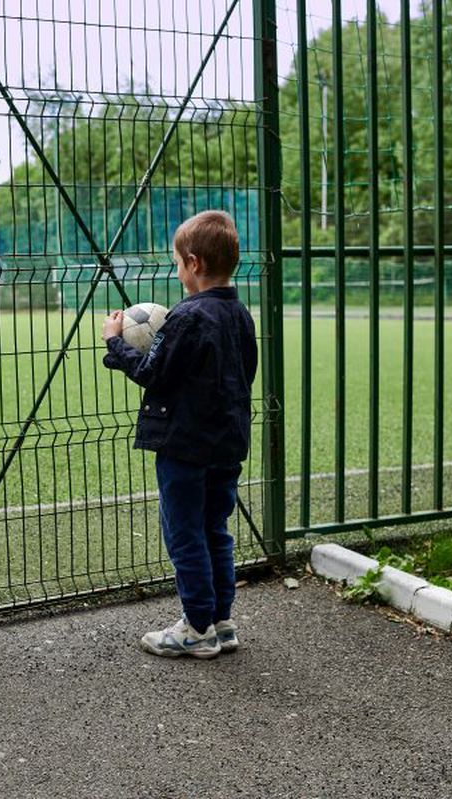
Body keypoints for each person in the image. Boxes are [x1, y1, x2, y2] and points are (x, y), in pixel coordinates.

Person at [101, 209, 257, 659]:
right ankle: (221, 621)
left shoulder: (187, 317)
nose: (177, 270)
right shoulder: (240, 314)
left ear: (194, 262)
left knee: (185, 533)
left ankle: (196, 627)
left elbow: (153, 373)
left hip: (185, 445)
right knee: (215, 529)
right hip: (227, 442)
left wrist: (115, 341)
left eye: (176, 262)